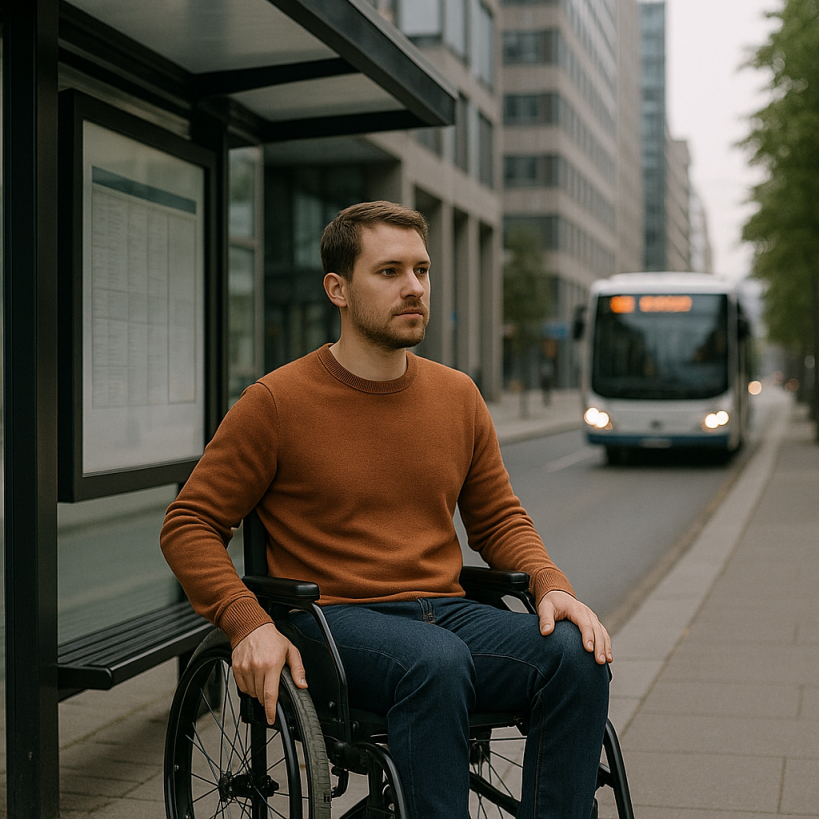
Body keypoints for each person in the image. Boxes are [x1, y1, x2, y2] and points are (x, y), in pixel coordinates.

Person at [161, 201, 612, 819]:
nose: (413, 288)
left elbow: (499, 518)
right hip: (334, 622)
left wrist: (549, 585)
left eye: (422, 271)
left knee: (577, 656)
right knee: (436, 663)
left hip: (446, 616)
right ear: (337, 289)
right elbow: (189, 524)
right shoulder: (275, 402)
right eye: (390, 271)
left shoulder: (458, 397)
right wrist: (247, 621)